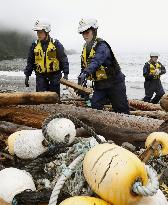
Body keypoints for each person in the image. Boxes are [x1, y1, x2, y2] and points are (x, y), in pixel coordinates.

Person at [77, 18, 129, 114]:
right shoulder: (85, 47)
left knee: (121, 109)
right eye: (82, 33)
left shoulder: (102, 46)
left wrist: (86, 73)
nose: (84, 35)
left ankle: (130, 127)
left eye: (87, 32)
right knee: (95, 107)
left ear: (94, 30)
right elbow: (84, 66)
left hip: (114, 83)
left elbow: (96, 61)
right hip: (100, 85)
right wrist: (81, 81)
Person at [24, 20, 69, 95]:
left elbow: (63, 58)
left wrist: (66, 73)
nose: (38, 34)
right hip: (40, 75)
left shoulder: (56, 44)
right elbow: (30, 61)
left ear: (47, 32)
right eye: (37, 32)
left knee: (54, 97)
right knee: (40, 97)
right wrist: (27, 75)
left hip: (55, 75)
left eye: (40, 32)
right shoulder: (34, 45)